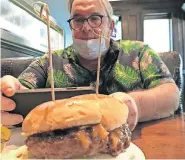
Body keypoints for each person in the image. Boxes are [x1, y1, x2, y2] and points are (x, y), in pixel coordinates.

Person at [0, 0, 179, 131]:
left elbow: (171, 95)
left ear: (110, 26)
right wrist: (10, 94)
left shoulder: (139, 52)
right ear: (71, 26)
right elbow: (22, 88)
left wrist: (135, 104)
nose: (86, 28)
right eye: (78, 20)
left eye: (95, 18)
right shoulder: (49, 61)